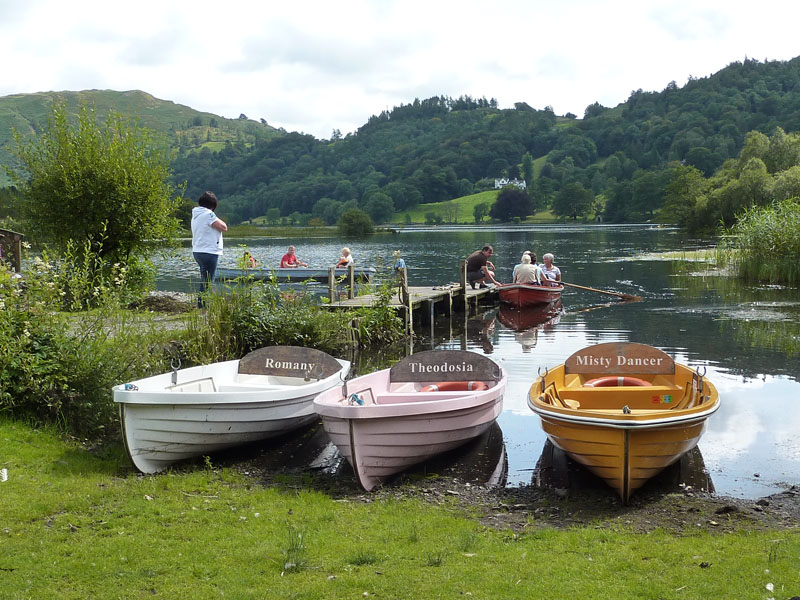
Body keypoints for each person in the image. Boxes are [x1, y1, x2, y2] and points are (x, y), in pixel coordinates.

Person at [191, 191, 227, 308]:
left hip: (197, 251)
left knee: (205, 279)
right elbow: (223, 227)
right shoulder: (209, 214)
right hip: (209, 252)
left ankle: (204, 306)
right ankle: (203, 308)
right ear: (212, 205)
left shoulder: (196, 215)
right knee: (207, 282)